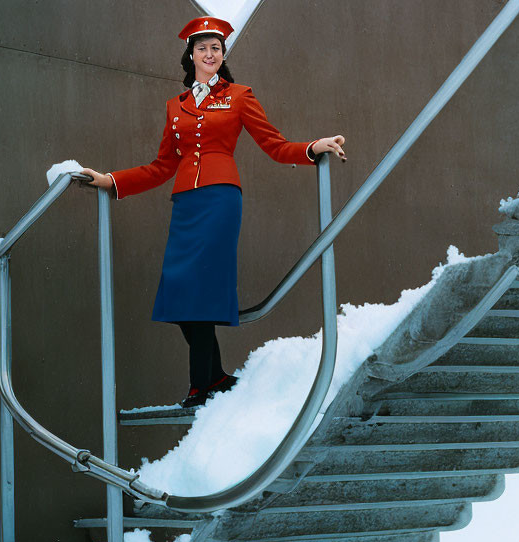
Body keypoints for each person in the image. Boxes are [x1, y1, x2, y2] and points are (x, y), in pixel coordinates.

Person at [82, 16, 346, 408]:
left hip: (221, 200)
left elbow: (274, 145)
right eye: (203, 48)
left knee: (200, 289)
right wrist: (112, 181)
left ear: (222, 55)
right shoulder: (176, 105)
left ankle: (198, 385)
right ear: (191, 54)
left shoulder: (239, 95)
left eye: (216, 48)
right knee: (180, 289)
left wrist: (313, 147)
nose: (210, 54)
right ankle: (217, 376)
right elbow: (161, 166)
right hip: (186, 204)